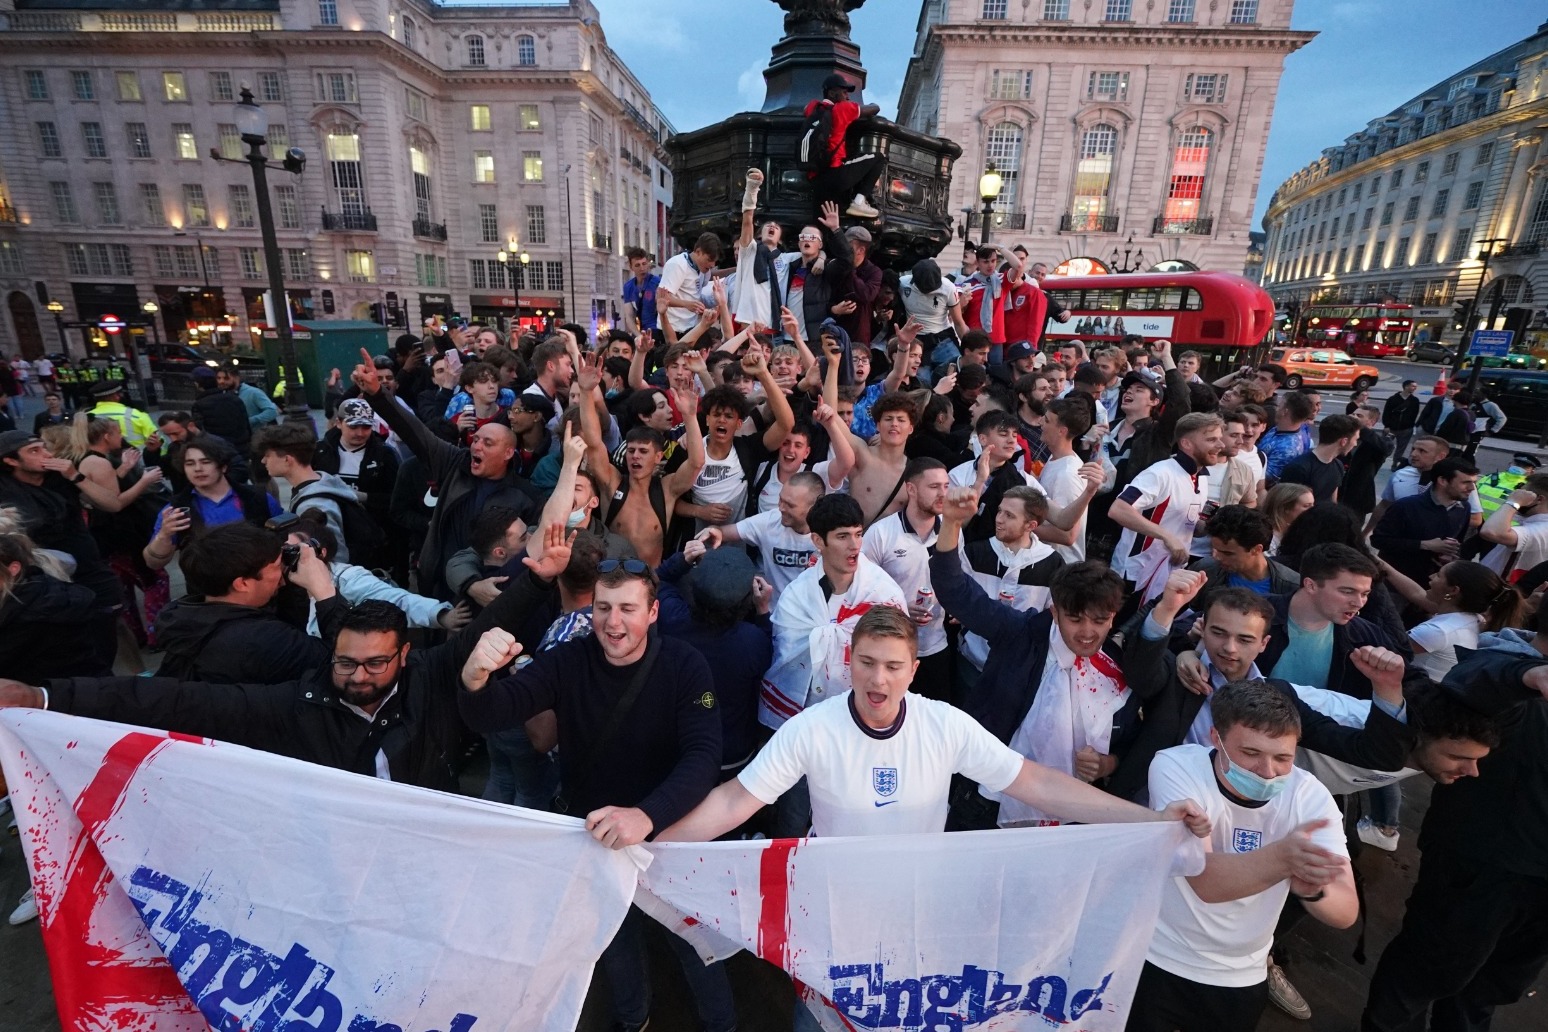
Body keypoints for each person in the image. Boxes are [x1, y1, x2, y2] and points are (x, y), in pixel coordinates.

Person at [653, 605, 1210, 1032]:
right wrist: (653, 847)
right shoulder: (812, 728)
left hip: (920, 912)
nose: (879, 680)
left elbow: (1036, 782)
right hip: (833, 910)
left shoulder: (943, 724)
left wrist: (1144, 820)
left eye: (894, 667)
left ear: (914, 670)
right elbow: (734, 801)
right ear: (848, 662)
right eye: (867, 663)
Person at [0, 534, 572, 791]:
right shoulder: (291, 704)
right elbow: (164, 698)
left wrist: (538, 580)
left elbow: (493, 627)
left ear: (404, 655)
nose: (358, 676)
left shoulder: (430, 677)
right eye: (345, 662)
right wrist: (43, 698)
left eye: (376, 664)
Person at [456, 557, 734, 1032]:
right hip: (598, 837)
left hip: (672, 835)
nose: (613, 621)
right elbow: (495, 712)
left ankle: (723, 1024)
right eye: (603, 607)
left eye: (628, 607)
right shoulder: (568, 661)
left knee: (693, 942)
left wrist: (647, 816)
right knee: (613, 935)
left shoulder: (685, 666)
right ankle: (632, 1019)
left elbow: (704, 756)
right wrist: (476, 678)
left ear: (652, 612)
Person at [1130, 679, 1359, 1032]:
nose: (1268, 772)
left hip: (1240, 975)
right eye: (1251, 754)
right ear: (1215, 738)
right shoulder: (1176, 767)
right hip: (1157, 956)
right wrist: (1284, 859)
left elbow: (1345, 911)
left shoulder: (1310, 798)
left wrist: (1313, 889)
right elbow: (1204, 881)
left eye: (1283, 757)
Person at [930, 487, 1165, 828]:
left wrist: (1108, 764)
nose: (1087, 631)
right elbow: (956, 590)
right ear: (1054, 612)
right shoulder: (1020, 634)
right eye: (1075, 618)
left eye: (1099, 620)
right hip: (987, 798)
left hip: (1071, 815)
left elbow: (1135, 737)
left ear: (1113, 617)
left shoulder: (1119, 665)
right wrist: (951, 524)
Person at [1360, 649, 1548, 1032]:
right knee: (1428, 972)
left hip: (1538, 895)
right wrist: (1528, 675)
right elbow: (1469, 682)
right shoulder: (1519, 686)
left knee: (1494, 987)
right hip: (1480, 870)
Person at [351, 348, 536, 600]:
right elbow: (413, 430)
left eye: (488, 443)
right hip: (438, 586)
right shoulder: (454, 463)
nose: (476, 446)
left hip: (494, 593)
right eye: (476, 439)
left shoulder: (525, 495)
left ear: (508, 453)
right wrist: (377, 394)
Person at [761, 491, 907, 736]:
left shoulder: (884, 595)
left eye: (858, 534)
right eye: (842, 536)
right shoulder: (797, 596)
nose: (855, 546)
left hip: (862, 720)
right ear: (818, 541)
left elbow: (897, 660)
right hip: (806, 723)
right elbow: (784, 658)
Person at [0, 429, 121, 669]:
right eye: (34, 451)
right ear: (11, 460)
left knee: (109, 628)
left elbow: (112, 504)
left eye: (44, 447)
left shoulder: (61, 478)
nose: (45, 454)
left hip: (91, 571)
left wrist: (75, 476)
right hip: (48, 584)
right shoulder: (6, 492)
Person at [575, 351, 705, 567]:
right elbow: (594, 442)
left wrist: (690, 416)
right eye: (631, 451)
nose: (635, 456)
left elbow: (696, 463)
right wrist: (586, 392)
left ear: (658, 457)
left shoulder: (667, 489)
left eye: (643, 452)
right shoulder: (612, 482)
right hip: (611, 579)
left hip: (649, 582)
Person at [1109, 412, 1226, 605]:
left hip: (1169, 574)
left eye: (1220, 439)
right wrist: (1167, 537)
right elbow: (1118, 509)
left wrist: (1206, 527)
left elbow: (1183, 524)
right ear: (1186, 444)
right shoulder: (1160, 473)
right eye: (1212, 439)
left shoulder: (1202, 477)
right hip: (1135, 574)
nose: (1221, 445)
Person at [860, 458, 951, 699]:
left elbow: (959, 579)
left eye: (946, 486)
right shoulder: (881, 534)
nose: (943, 494)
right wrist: (897, 607)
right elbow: (859, 590)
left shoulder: (952, 531)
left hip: (936, 647)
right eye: (934, 487)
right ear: (911, 489)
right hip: (889, 653)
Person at [146, 435, 283, 570]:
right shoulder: (177, 509)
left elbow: (284, 537)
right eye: (190, 463)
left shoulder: (257, 497)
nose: (197, 468)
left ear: (223, 467)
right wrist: (164, 534)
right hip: (208, 587)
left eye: (205, 462)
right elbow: (153, 563)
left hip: (260, 580)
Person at [255, 421, 371, 565]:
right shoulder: (325, 481)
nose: (263, 460)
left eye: (268, 455)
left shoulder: (314, 504)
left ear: (287, 459)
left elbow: (335, 557)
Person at [699, 470, 824, 601]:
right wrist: (714, 531)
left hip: (817, 616)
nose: (781, 508)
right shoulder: (770, 521)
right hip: (773, 614)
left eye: (790, 505)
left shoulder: (833, 533)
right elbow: (723, 532)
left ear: (813, 507)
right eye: (781, 499)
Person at [1370, 457, 1479, 588]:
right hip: (1396, 584)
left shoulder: (1464, 508)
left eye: (1473, 482)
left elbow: (1457, 543)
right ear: (1442, 481)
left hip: (1432, 586)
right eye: (1465, 482)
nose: (1472, 488)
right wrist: (1424, 545)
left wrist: (1450, 557)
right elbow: (1378, 540)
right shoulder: (1406, 506)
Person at [804, 72, 883, 218]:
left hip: (815, 178)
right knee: (878, 158)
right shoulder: (842, 109)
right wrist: (871, 104)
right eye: (844, 92)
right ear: (833, 93)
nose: (847, 96)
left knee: (822, 223)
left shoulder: (813, 107)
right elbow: (874, 108)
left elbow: (805, 110)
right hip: (836, 174)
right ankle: (859, 202)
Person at [1189, 504, 1301, 601]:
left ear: (1256, 549)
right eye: (1216, 550)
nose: (1217, 557)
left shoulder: (1291, 586)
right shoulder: (1205, 570)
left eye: (1228, 553)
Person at [1276, 413, 1360, 505]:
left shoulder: (1338, 465)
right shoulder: (1299, 468)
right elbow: (1286, 505)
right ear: (1344, 441)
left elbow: (1333, 501)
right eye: (1355, 439)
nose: (1355, 444)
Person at [1479, 471, 1548, 581]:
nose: (1516, 493)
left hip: (1501, 592)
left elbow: (1491, 532)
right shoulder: (1531, 519)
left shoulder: (1543, 530)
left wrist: (1514, 502)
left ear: (1539, 499)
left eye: (1524, 493)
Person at [1340, 405, 1394, 518]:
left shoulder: (1377, 442)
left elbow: (1386, 448)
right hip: (1338, 492)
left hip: (1358, 498)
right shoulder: (1344, 436)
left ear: (1372, 422)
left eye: (1359, 416)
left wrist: (1361, 428)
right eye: (1353, 414)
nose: (1354, 417)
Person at [82, 379, 157, 448]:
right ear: (116, 396)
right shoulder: (136, 415)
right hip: (138, 459)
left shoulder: (85, 418)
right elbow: (156, 441)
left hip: (99, 460)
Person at [620, 246, 660, 343]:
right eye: (637, 265)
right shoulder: (628, 286)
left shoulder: (657, 282)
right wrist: (638, 335)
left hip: (658, 330)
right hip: (642, 331)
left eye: (644, 264)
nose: (642, 268)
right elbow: (629, 316)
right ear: (631, 267)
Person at [1383, 379, 1421, 469]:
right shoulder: (1393, 399)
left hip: (1406, 429)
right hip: (1392, 428)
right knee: (1385, 445)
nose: (1415, 388)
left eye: (1415, 387)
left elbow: (1414, 414)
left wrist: (1411, 425)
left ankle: (1395, 463)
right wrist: (1387, 425)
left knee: (1401, 448)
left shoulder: (1415, 400)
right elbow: (1386, 413)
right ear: (1406, 386)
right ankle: (1380, 460)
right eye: (1413, 386)